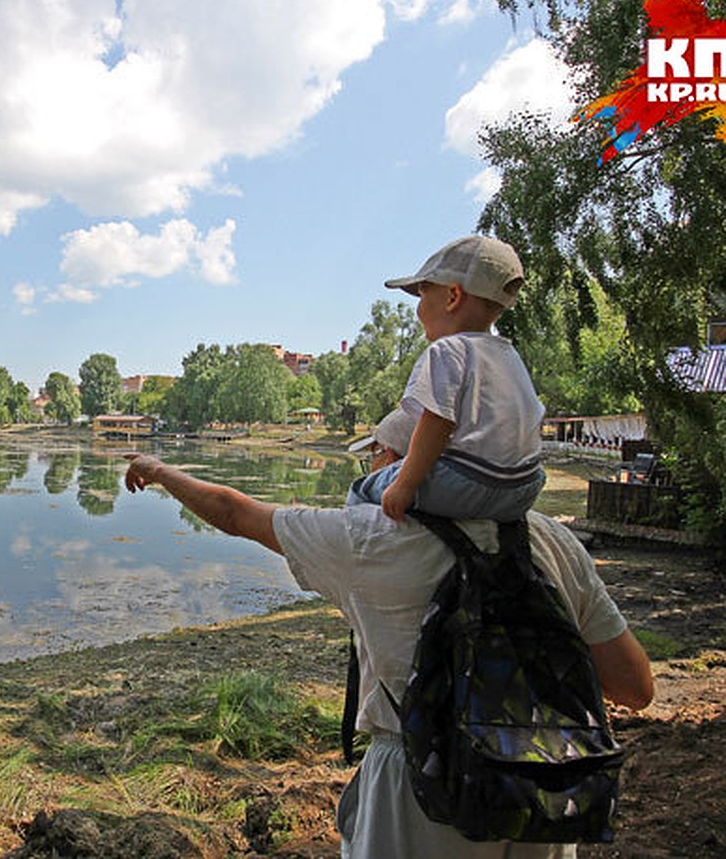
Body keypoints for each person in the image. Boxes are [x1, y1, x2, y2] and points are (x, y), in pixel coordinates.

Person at [123, 447, 653, 859]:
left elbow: (235, 513)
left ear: (406, 462)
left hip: (417, 786)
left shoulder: (371, 538)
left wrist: (162, 472)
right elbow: (635, 687)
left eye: (378, 452)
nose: (372, 463)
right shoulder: (551, 539)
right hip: (541, 784)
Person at [352, 235, 546, 522]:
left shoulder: (448, 350)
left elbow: (437, 423)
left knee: (364, 488)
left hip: (468, 483)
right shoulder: (508, 354)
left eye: (422, 293)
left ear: (453, 297)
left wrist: (404, 485)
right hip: (523, 488)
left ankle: (358, 547)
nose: (418, 308)